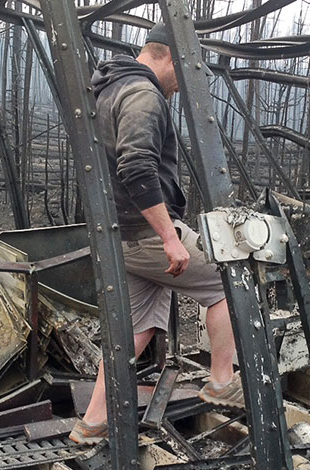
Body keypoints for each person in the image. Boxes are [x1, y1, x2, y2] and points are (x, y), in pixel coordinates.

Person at [69, 22, 242, 444]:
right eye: (182, 71)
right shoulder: (144, 95)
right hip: (144, 232)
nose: (181, 85)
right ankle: (222, 380)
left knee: (137, 326)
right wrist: (168, 235)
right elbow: (135, 166)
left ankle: (92, 422)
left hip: (118, 234)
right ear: (165, 55)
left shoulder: (107, 88)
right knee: (230, 278)